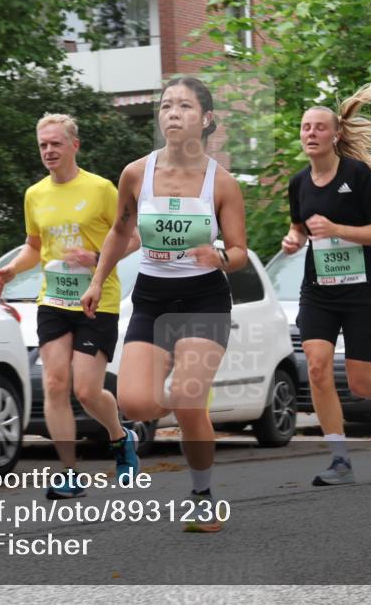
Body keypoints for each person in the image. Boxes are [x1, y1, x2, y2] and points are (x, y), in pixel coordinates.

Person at [81, 76, 247, 532]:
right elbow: (119, 231)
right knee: (137, 403)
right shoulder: (136, 173)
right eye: (167, 106)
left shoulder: (223, 183)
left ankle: (202, 495)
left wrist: (220, 256)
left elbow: (240, 251)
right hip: (152, 297)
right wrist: (98, 279)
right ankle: (129, 433)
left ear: (206, 119)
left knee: (188, 401)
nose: (174, 113)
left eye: (186, 107)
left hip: (204, 299)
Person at [0, 113, 140, 499]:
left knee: (87, 391)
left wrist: (96, 258)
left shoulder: (103, 189)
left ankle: (120, 436)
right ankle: (70, 473)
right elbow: (34, 248)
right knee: (56, 384)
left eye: (56, 143)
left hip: (96, 299)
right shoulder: (35, 194)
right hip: (54, 300)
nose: (48, 151)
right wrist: (9, 270)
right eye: (43, 144)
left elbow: (134, 238)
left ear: (74, 145)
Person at [280, 83, 371, 487]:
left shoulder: (357, 176)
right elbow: (297, 229)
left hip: (364, 294)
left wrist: (338, 228)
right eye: (305, 127)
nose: (310, 134)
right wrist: (293, 241)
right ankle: (340, 460)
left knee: (360, 383)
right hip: (319, 291)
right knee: (319, 368)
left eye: (319, 127)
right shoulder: (298, 183)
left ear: (336, 134)